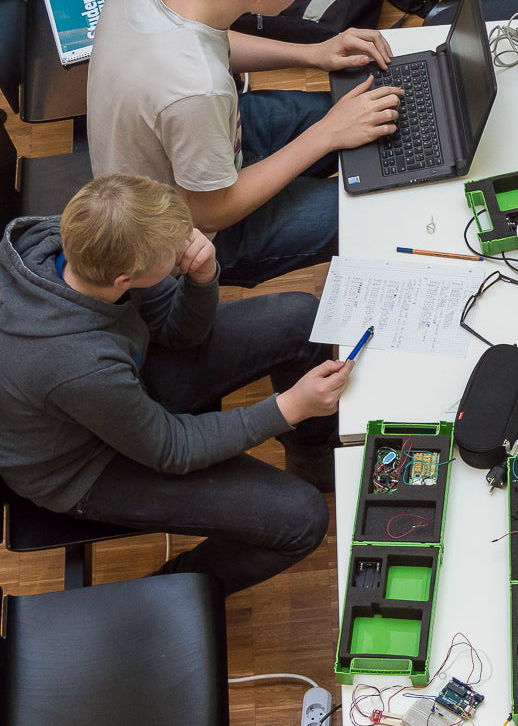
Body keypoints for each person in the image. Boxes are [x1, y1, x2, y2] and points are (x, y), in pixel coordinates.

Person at [0, 174, 353, 594]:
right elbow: (172, 448)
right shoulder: (77, 363)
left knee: (301, 319)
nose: (186, 248)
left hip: (120, 384)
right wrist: (289, 407)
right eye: (173, 255)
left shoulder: (81, 239)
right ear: (123, 280)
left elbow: (179, 333)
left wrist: (202, 278)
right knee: (301, 519)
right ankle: (170, 596)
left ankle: (314, 460)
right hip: (83, 464)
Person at [87, 0, 404, 287]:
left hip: (199, 137)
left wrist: (313, 52)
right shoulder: (196, 90)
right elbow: (209, 213)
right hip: (189, 227)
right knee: (369, 206)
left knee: (368, 114)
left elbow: (206, 39)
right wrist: (326, 134)